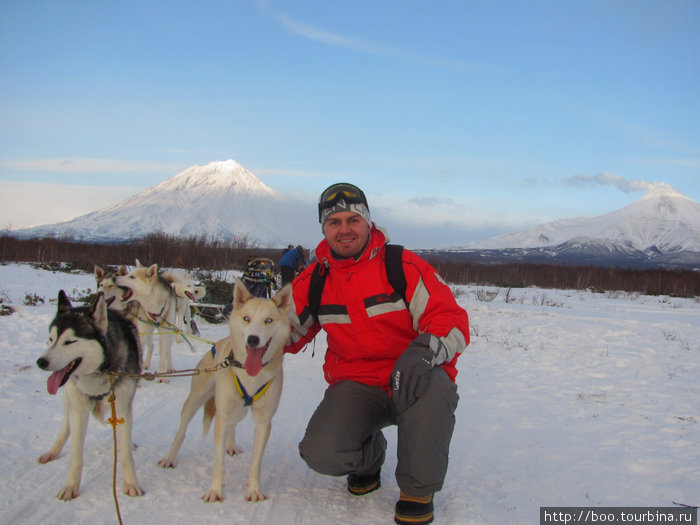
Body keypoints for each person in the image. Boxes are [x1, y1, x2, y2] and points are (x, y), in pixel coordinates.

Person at [285, 183, 469, 525]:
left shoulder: (402, 265)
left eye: (353, 219)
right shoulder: (314, 279)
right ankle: (370, 458)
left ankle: (417, 490)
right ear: (324, 229)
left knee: (434, 398)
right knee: (321, 453)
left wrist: (425, 351)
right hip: (357, 383)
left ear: (368, 222)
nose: (344, 229)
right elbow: (285, 330)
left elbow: (450, 318)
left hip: (414, 374)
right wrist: (249, 340)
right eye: (334, 221)